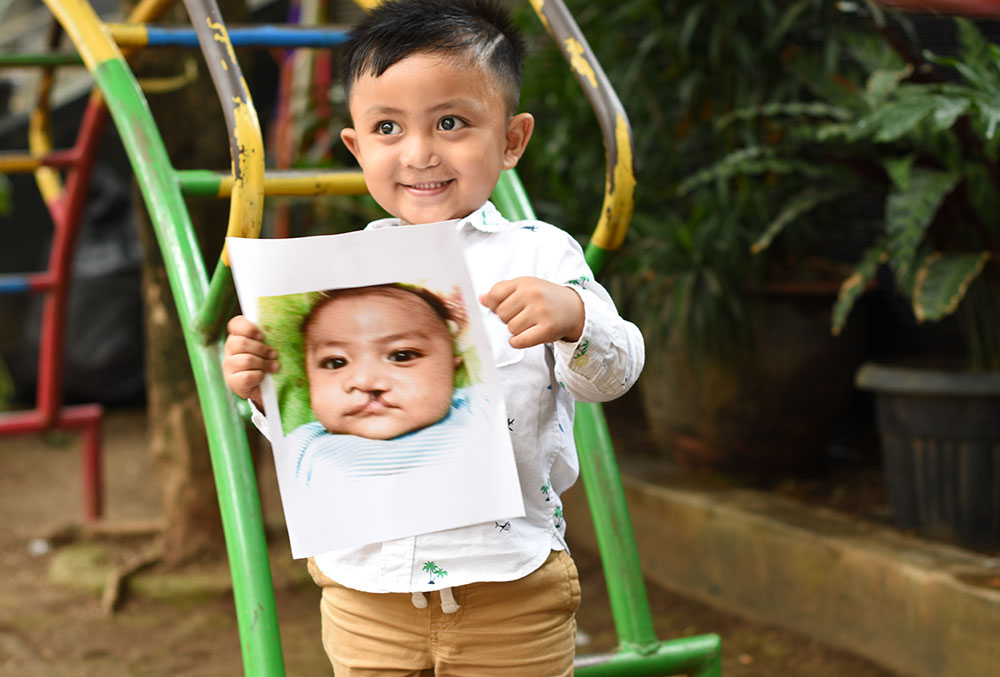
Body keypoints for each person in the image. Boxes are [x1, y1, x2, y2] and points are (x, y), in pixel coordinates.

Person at [222, 0, 645, 673]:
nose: (419, 153)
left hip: (511, 586)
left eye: (451, 122)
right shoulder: (336, 274)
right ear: (357, 147)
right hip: (366, 593)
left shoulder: (539, 254)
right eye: (388, 127)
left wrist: (574, 317)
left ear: (511, 139)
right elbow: (322, 438)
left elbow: (612, 376)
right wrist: (261, 385)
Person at [289, 283, 482, 484]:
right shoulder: (303, 444)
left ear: (453, 367)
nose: (365, 382)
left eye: (401, 356)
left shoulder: (477, 409)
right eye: (336, 362)